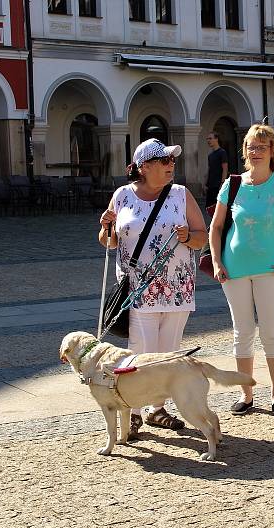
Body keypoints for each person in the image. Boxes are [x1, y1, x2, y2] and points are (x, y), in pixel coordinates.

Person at [98, 138, 208, 437]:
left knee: (168, 353)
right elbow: (109, 242)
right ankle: (132, 411)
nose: (172, 165)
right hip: (137, 289)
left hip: (176, 289)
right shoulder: (122, 196)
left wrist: (187, 236)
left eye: (173, 161)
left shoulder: (181, 195)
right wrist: (106, 227)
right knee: (139, 353)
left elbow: (202, 238)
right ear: (144, 166)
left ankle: (157, 409)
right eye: (165, 161)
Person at [209, 124, 274, 416]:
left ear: (272, 151)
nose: (255, 152)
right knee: (242, 332)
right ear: (245, 151)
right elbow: (216, 228)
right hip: (234, 270)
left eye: (261, 147)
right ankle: (247, 393)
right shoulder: (233, 184)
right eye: (251, 147)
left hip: (272, 269)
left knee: (270, 331)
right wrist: (217, 262)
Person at [204, 131, 229, 211]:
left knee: (217, 208)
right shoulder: (210, 155)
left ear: (216, 139)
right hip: (211, 185)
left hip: (218, 184)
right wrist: (206, 183)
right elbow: (209, 169)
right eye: (207, 139)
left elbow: (225, 169)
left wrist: (222, 183)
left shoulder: (222, 153)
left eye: (210, 138)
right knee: (209, 208)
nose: (208, 141)